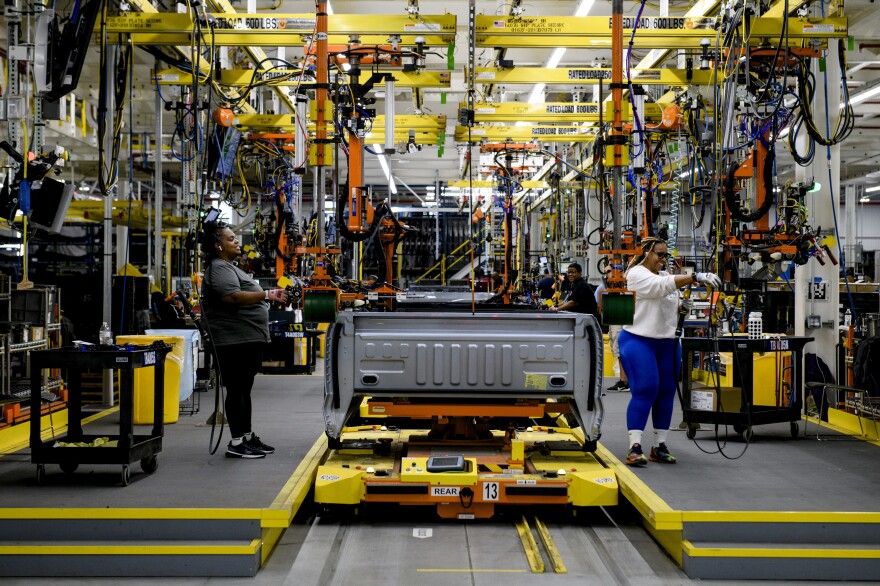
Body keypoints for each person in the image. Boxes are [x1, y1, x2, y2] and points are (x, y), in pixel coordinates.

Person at [618, 237, 721, 466]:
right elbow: (658, 289)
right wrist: (695, 276)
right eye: (659, 255)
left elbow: (665, 294)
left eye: (666, 255)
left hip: (667, 343)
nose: (663, 260)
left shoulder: (665, 276)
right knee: (646, 389)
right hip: (639, 339)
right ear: (646, 253)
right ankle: (634, 446)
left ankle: (659, 445)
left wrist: (680, 308)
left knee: (666, 391)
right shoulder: (635, 274)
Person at [201, 221, 288, 459]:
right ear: (218, 245)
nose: (236, 241)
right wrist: (267, 294)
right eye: (230, 239)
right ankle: (236, 443)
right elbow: (232, 298)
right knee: (237, 390)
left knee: (244, 390)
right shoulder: (219, 268)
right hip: (232, 341)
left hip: (245, 339)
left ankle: (247, 436)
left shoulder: (229, 266)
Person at [595, 260, 629, 392]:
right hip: (614, 316)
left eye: (608, 271)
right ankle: (624, 380)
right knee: (617, 349)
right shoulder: (605, 287)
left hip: (620, 316)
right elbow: (599, 303)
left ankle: (625, 381)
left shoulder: (624, 285)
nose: (606, 274)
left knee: (620, 349)